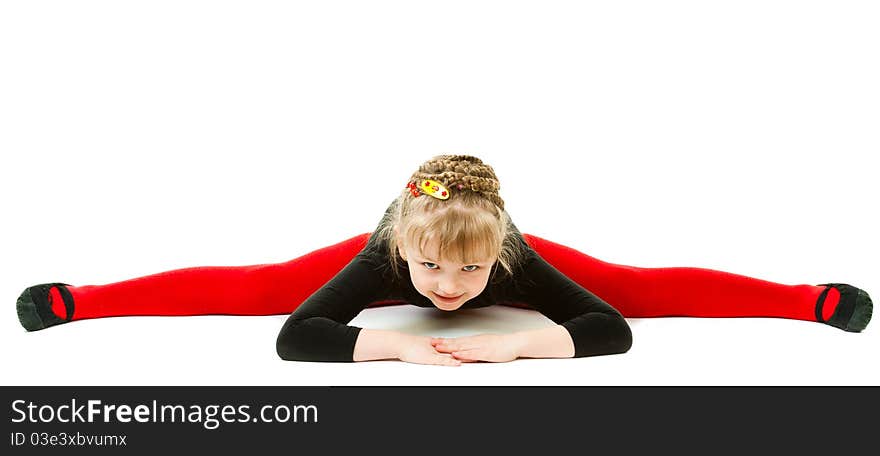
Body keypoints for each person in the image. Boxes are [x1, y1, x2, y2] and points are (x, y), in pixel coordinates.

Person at [16, 155, 873, 366]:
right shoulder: (384, 257)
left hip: (513, 248)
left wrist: (518, 344)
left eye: (471, 274)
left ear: (499, 255)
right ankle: (82, 299)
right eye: (433, 273)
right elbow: (292, 336)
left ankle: (807, 299)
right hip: (384, 240)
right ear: (402, 249)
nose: (451, 291)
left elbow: (611, 328)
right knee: (257, 285)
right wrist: (393, 343)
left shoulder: (515, 263)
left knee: (639, 287)